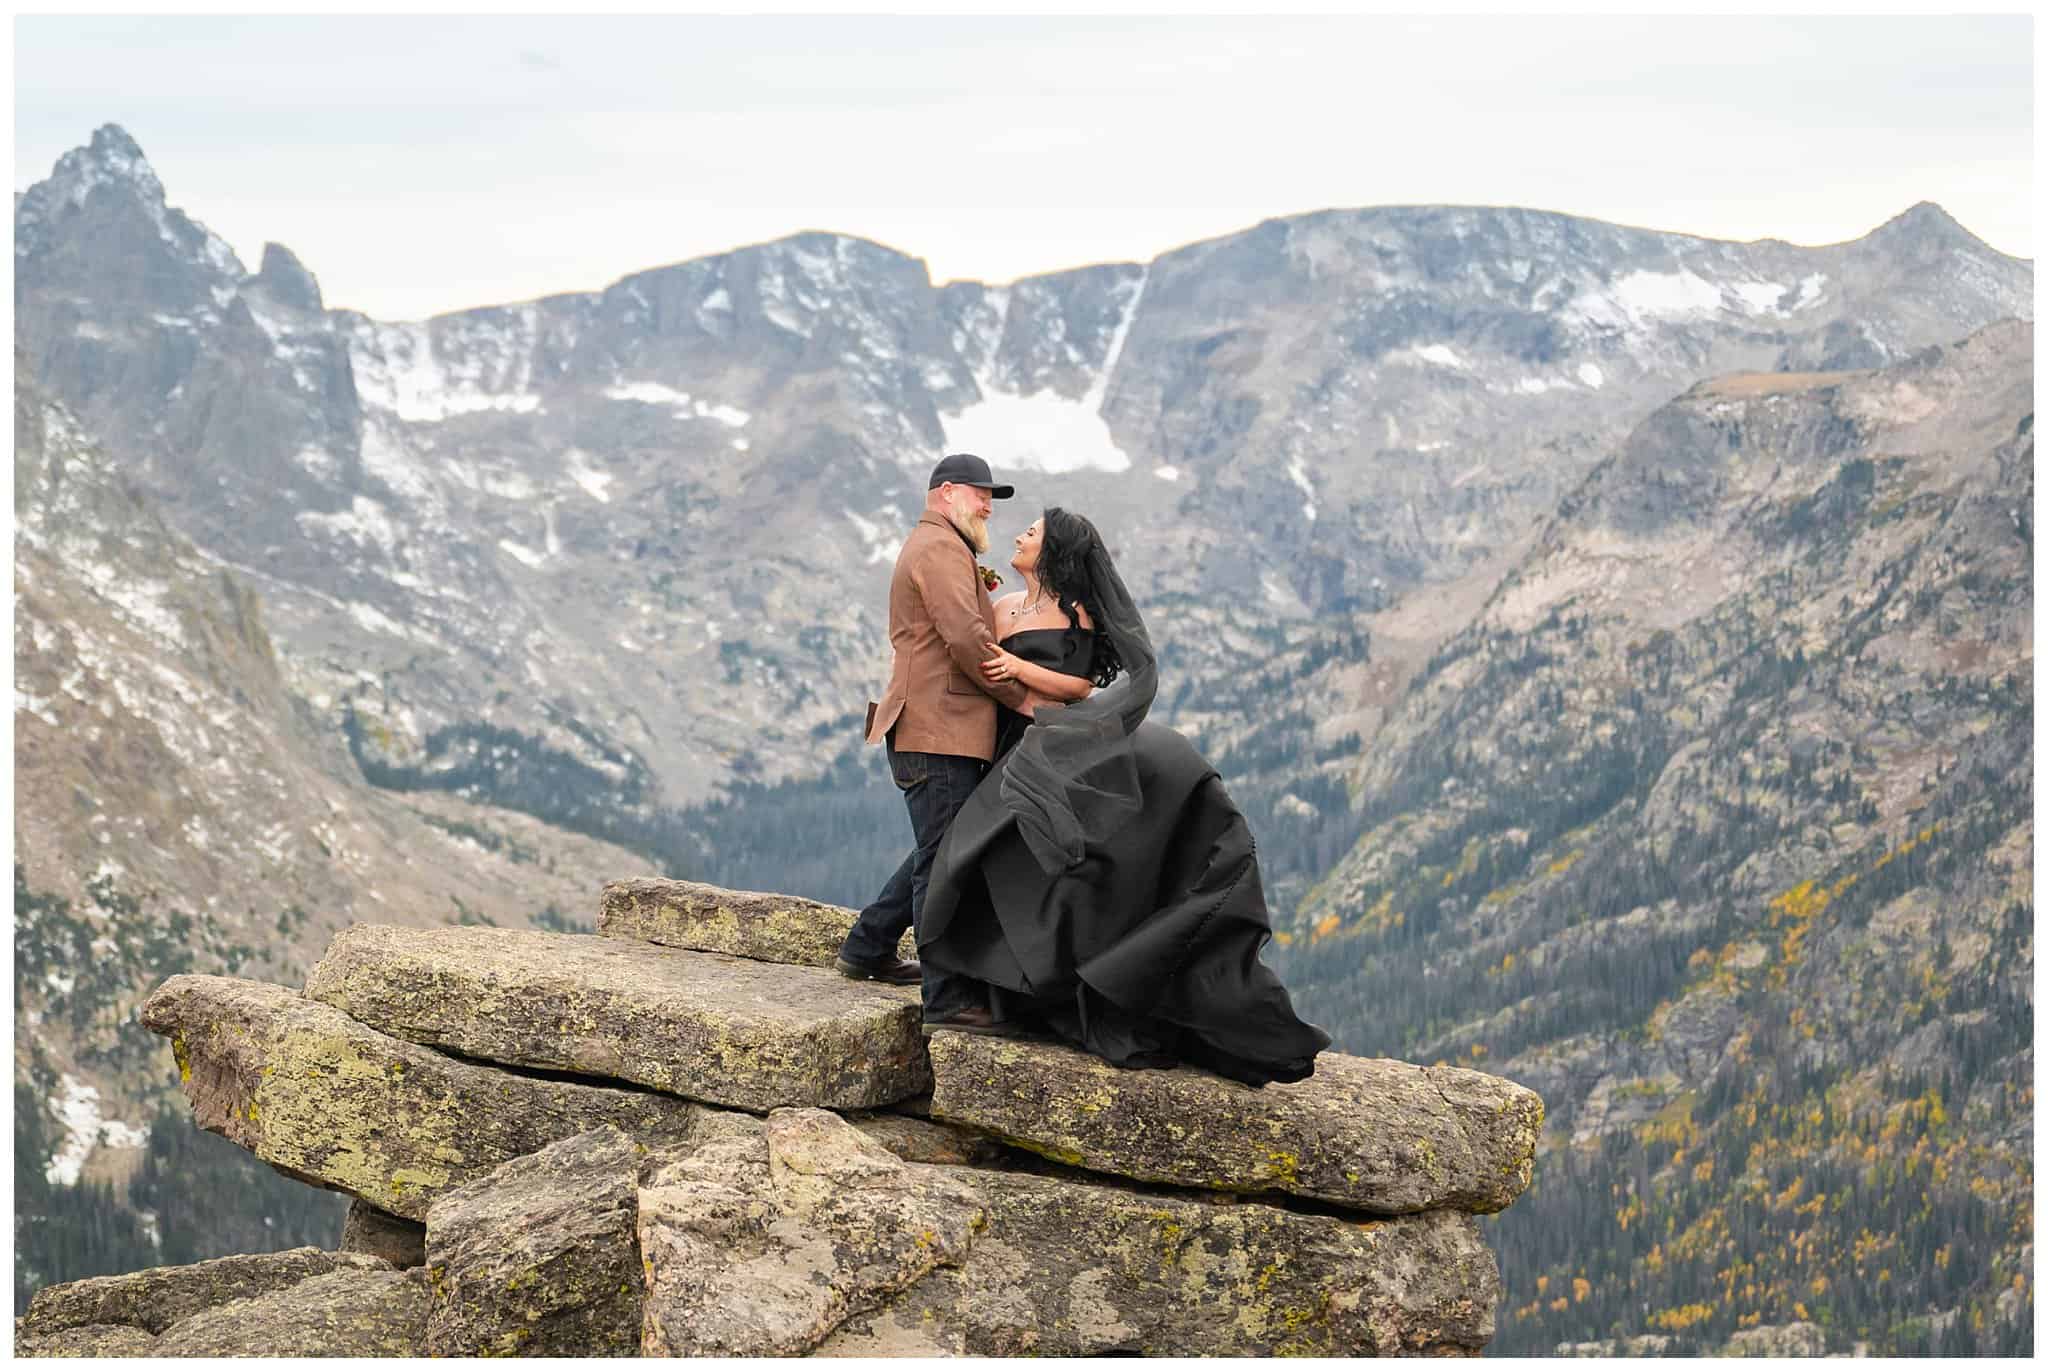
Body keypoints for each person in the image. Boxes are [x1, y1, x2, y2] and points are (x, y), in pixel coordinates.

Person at [915, 506, 1332, 1086]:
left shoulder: (1076, 613)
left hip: (1052, 739)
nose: (1018, 533)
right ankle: (981, 979)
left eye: (1031, 531)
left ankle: (1024, 981)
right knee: (972, 853)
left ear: (1054, 550)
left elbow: (1081, 686)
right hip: (1010, 740)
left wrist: (1013, 670)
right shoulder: (1005, 604)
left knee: (974, 852)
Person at [834, 453, 1037, 1035]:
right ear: (947, 492)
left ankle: (867, 946)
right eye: (981, 495)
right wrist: (1020, 699)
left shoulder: (938, 545)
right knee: (943, 864)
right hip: (940, 729)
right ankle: (945, 999)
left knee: (938, 848)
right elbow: (967, 639)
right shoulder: (942, 549)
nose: (989, 506)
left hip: (933, 728)